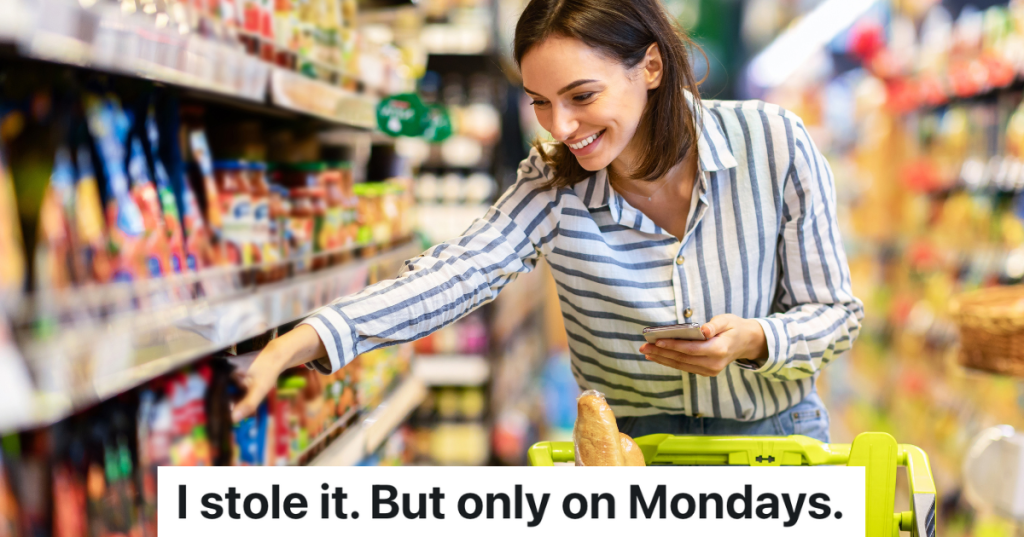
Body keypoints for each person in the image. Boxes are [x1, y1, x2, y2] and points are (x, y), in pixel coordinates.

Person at [231, 0, 864, 443]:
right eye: (540, 102)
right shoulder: (554, 182)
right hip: (629, 458)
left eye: (582, 96)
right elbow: (458, 272)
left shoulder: (774, 142)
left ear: (650, 67)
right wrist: (302, 340)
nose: (561, 128)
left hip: (775, 449)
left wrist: (754, 340)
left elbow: (835, 312)